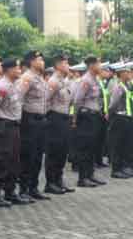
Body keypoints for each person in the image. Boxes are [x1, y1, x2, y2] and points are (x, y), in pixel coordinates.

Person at [0, 58, 26, 206]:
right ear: (9, 70)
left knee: (14, 161)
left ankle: (10, 192)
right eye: (17, 68)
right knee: (1, 160)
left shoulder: (15, 84)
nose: (19, 70)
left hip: (15, 126)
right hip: (4, 126)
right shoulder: (2, 86)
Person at [16, 52, 50, 200]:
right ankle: (23, 189)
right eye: (39, 59)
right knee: (27, 156)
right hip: (29, 120)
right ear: (31, 62)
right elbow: (18, 99)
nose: (42, 62)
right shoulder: (27, 78)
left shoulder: (40, 78)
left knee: (37, 156)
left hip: (41, 120)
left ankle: (33, 187)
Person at [71, 56, 106, 187]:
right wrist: (74, 118)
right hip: (86, 118)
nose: (100, 66)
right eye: (98, 64)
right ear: (91, 65)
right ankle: (82, 178)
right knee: (84, 148)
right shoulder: (85, 80)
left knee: (92, 147)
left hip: (94, 117)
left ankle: (90, 175)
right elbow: (77, 100)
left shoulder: (95, 79)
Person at [44, 56, 76, 194]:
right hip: (54, 118)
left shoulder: (65, 81)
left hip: (64, 118)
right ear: (57, 65)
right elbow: (46, 101)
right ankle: (50, 183)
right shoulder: (53, 82)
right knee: (54, 151)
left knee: (63, 150)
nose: (68, 65)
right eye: (65, 63)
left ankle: (59, 180)